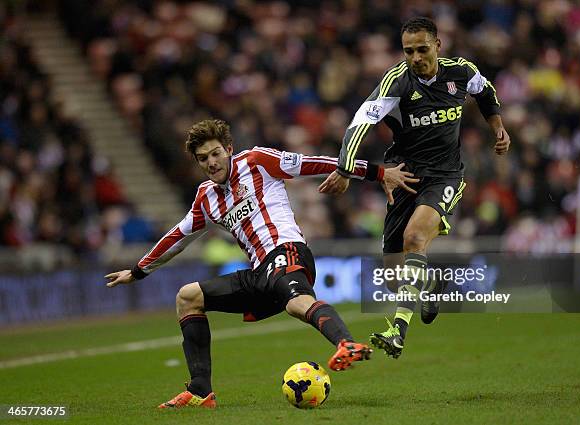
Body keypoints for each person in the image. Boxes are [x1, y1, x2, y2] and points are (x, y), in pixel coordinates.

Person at [105, 119, 412, 408]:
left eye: (215, 153)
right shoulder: (205, 198)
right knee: (187, 297)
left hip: (287, 251)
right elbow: (177, 237)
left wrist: (377, 173)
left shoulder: (257, 161)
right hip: (260, 272)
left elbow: (314, 163)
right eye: (202, 158)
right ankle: (200, 391)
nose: (211, 163)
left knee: (294, 303)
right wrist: (137, 271)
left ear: (228, 148)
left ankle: (346, 343)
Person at [319, 17, 511, 358]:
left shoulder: (462, 73)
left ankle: (398, 331)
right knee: (394, 277)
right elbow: (359, 124)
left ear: (438, 45)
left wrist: (498, 127)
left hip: (445, 177)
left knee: (414, 239)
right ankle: (432, 284)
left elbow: (486, 93)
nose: (416, 57)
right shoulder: (396, 81)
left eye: (423, 49)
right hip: (405, 178)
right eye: (409, 51)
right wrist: (346, 169)